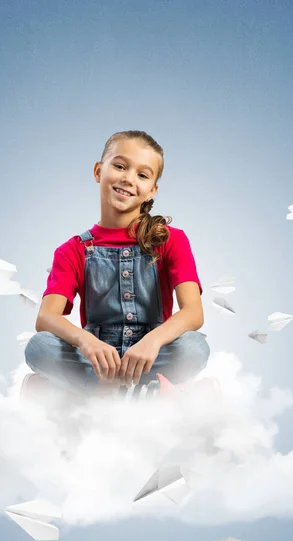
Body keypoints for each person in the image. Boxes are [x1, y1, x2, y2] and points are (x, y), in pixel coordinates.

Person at [23, 130, 214, 399]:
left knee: (194, 347)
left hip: (152, 356)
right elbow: (46, 318)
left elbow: (194, 313)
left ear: (152, 191)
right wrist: (86, 341)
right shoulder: (72, 250)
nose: (128, 178)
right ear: (98, 171)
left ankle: (87, 395)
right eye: (120, 166)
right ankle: (148, 395)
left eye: (142, 175)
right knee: (38, 347)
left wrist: (153, 341)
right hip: (98, 362)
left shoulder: (171, 240)